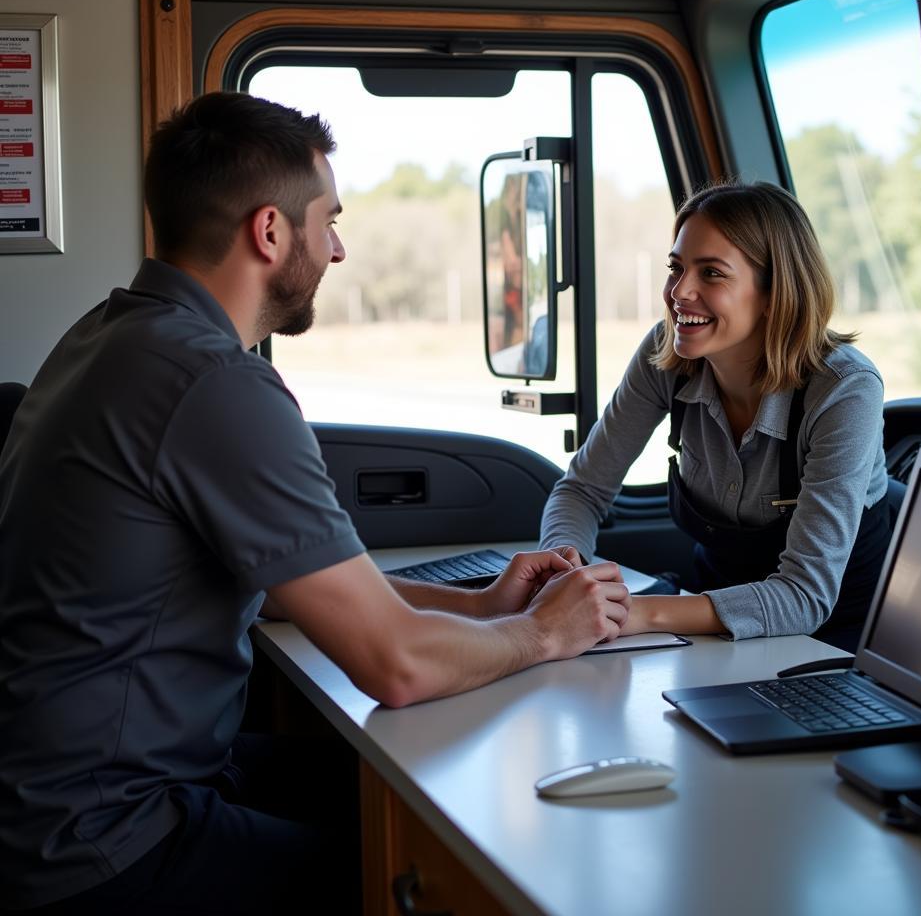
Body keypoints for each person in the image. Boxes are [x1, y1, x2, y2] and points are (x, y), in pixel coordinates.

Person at [0, 91, 629, 915]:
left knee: (383, 789)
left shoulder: (109, 335)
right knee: (425, 876)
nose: (336, 249)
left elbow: (309, 584)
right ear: (269, 232)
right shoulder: (215, 384)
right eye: (328, 220)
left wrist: (481, 607)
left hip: (73, 793)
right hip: (99, 840)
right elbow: (394, 666)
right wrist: (544, 633)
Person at [540, 182, 891, 652]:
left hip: (828, 649)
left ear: (773, 292)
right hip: (708, 634)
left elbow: (805, 596)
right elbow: (583, 490)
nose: (679, 292)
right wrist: (563, 571)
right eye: (677, 268)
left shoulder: (844, 390)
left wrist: (630, 612)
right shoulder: (664, 354)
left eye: (711, 273)